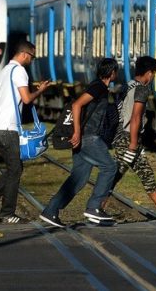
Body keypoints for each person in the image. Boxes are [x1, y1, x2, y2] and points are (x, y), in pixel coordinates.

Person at [106, 56, 156, 223]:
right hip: (128, 138)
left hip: (122, 135)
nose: (153, 77)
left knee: (131, 174)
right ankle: (96, 207)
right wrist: (133, 145)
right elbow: (136, 117)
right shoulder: (142, 89)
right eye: (154, 73)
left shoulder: (127, 85)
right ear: (149, 73)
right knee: (126, 174)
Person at [39, 58, 119, 227]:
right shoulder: (98, 87)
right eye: (115, 72)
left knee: (79, 178)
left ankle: (51, 211)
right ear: (112, 72)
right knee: (109, 167)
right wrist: (77, 131)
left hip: (86, 138)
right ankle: (94, 207)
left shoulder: (97, 86)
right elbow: (77, 105)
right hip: (88, 137)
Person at [0, 41, 51, 223]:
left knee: (14, 168)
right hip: (7, 128)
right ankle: (6, 213)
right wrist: (40, 90)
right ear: (24, 54)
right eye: (32, 57)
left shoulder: (5, 70)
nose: (32, 60)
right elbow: (27, 99)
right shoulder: (20, 71)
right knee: (15, 170)